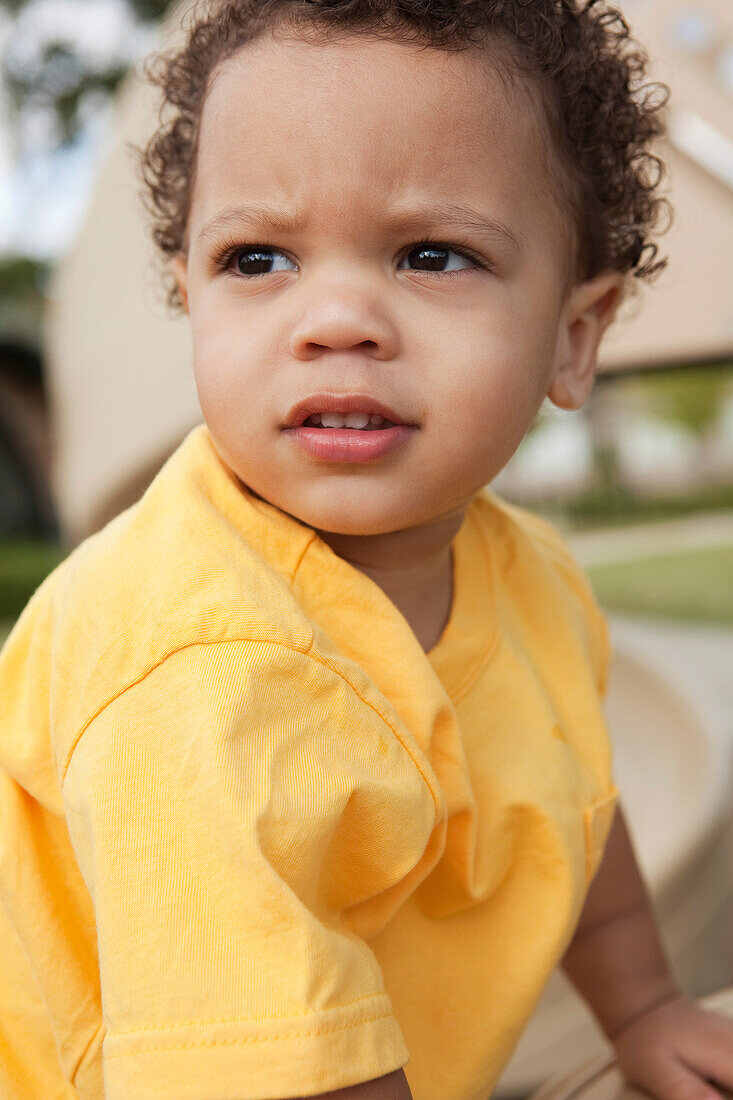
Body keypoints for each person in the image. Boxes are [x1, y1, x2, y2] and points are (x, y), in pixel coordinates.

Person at [2, 0, 733, 1097]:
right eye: (257, 259)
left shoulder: (533, 578)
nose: (336, 317)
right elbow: (274, 1071)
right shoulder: (194, 667)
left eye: (430, 253)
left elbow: (572, 807)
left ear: (573, 338)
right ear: (187, 294)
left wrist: (641, 1003)